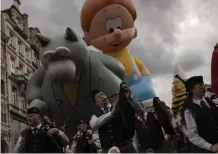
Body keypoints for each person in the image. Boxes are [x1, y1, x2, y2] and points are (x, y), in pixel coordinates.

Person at [89, 82, 143, 153]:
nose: (101, 97)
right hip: (108, 151)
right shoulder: (95, 116)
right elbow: (94, 125)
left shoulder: (118, 106)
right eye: (98, 97)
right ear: (96, 103)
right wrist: (111, 113)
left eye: (102, 94)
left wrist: (129, 98)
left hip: (125, 147)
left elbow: (140, 110)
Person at [182, 76, 218, 153]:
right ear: (192, 89)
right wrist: (210, 147)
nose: (203, 87)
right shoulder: (189, 110)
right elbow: (192, 136)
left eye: (203, 84)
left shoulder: (209, 101)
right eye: (200, 85)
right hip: (206, 149)